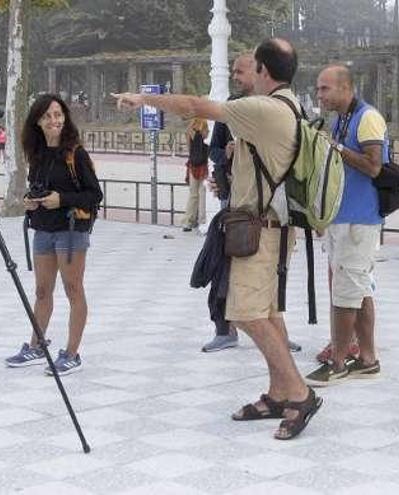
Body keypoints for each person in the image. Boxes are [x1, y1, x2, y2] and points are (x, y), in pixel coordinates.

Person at [114, 38, 322, 440]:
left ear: (263, 70)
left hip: (259, 230)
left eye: (249, 69)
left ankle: (299, 392)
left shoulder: (264, 108)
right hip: (271, 226)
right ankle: (279, 392)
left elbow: (195, 106)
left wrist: (143, 98)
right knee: (266, 311)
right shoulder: (291, 105)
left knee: (244, 313)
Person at [202, 53, 302, 354]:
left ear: (261, 73)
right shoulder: (231, 108)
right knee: (225, 268)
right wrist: (227, 157)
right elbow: (214, 152)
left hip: (270, 209)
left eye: (242, 71)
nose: (236, 76)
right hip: (235, 205)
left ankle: (277, 338)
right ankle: (224, 329)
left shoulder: (280, 108)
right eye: (233, 71)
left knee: (269, 277)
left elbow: (293, 156)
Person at [4, 94, 103, 376]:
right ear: (37, 121)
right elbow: (37, 186)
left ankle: (72, 353)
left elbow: (94, 195)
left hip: (71, 230)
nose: (54, 121)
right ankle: (37, 345)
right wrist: (29, 200)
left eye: (58, 114)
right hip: (43, 228)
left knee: (73, 290)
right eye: (47, 116)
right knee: (41, 291)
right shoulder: (36, 153)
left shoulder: (76, 153)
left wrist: (62, 200)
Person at [305, 65, 387, 386]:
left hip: (360, 220)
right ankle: (367, 358)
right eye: (318, 89)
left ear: (345, 88)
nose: (320, 95)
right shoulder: (339, 119)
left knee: (345, 293)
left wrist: (335, 147)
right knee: (359, 289)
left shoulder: (367, 117)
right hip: (341, 217)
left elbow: (374, 166)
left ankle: (337, 362)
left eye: (325, 89)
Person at [182, 117, 209, 232]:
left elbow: (189, 149)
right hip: (205, 165)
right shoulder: (206, 130)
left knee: (193, 194)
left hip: (193, 165)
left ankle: (188, 221)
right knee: (203, 193)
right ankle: (202, 221)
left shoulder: (190, 130)